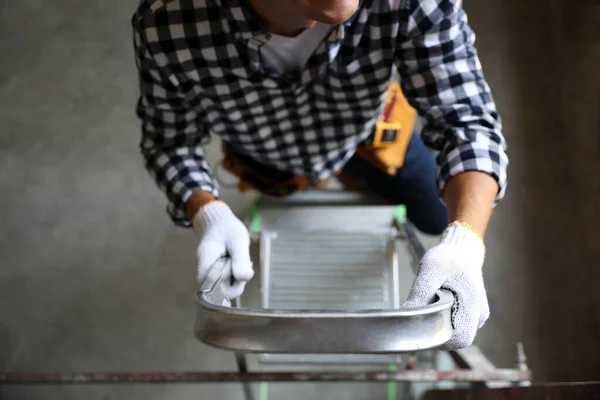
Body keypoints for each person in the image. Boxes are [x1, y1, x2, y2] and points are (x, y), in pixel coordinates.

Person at [132, 0, 508, 349]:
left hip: (368, 137)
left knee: (436, 213)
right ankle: (325, 175)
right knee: (284, 188)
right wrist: (207, 211)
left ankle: (347, 171)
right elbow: (170, 142)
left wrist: (466, 241)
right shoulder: (167, 22)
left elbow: (467, 121)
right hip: (268, 156)